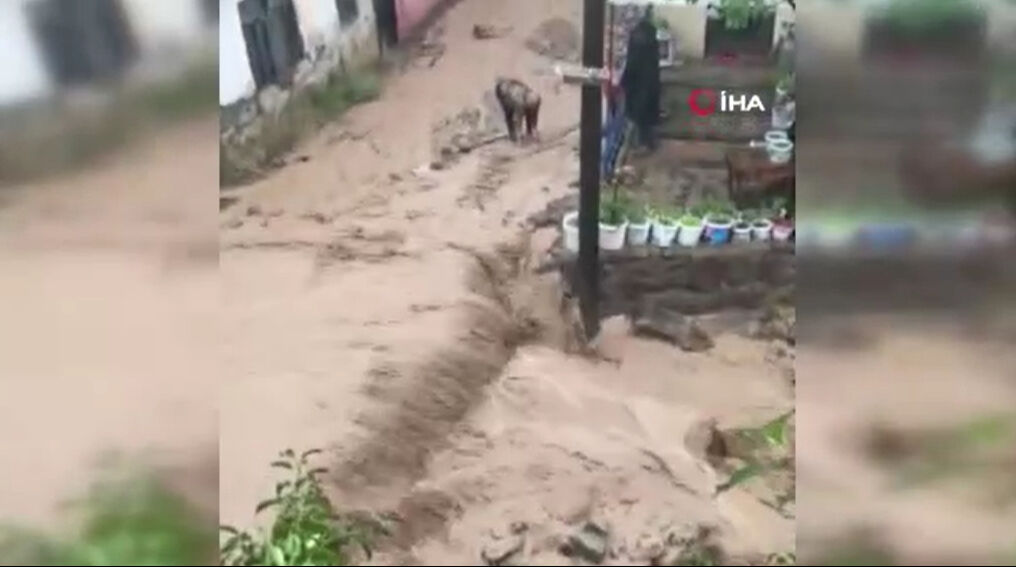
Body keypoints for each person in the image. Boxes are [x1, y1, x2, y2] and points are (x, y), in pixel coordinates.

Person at [621, 6, 662, 152]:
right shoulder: (650, 36)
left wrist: (624, 80)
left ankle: (644, 144)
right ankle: (647, 141)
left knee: (640, 114)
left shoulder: (638, 38)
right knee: (646, 115)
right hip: (649, 81)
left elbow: (632, 64)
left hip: (639, 83)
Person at [494, 77, 542, 144]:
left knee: (527, 120)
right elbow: (509, 115)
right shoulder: (505, 93)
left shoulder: (515, 93)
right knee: (527, 120)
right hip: (527, 100)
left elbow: (517, 114)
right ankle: (525, 135)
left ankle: (522, 137)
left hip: (524, 100)